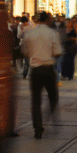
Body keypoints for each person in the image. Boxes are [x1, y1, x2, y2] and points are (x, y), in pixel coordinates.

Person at [20, 11, 62, 139]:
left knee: (36, 101)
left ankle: (38, 128)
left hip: (35, 70)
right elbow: (58, 52)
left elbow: (25, 52)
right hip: (48, 69)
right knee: (53, 98)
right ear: (48, 20)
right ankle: (48, 119)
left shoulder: (30, 33)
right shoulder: (52, 33)